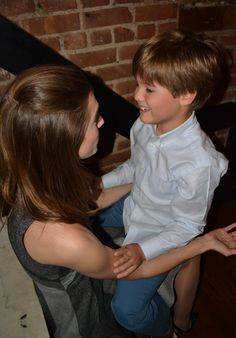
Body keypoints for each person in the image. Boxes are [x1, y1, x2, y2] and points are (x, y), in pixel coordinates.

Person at [0, 64, 235, 338]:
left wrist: (150, 178)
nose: (101, 122)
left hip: (130, 233)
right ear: (65, 140)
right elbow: (136, 267)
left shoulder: (32, 172)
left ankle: (179, 313)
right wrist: (202, 243)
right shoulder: (65, 237)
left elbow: (109, 190)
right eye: (94, 119)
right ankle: (166, 330)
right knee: (128, 311)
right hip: (85, 319)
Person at [99, 29, 229, 337]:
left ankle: (166, 329)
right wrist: (100, 185)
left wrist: (142, 251)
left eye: (149, 89)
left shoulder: (199, 163)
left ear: (186, 95)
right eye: (138, 84)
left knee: (126, 311)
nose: (136, 96)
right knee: (83, 218)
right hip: (136, 205)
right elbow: (134, 167)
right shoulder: (144, 124)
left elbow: (186, 228)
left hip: (162, 230)